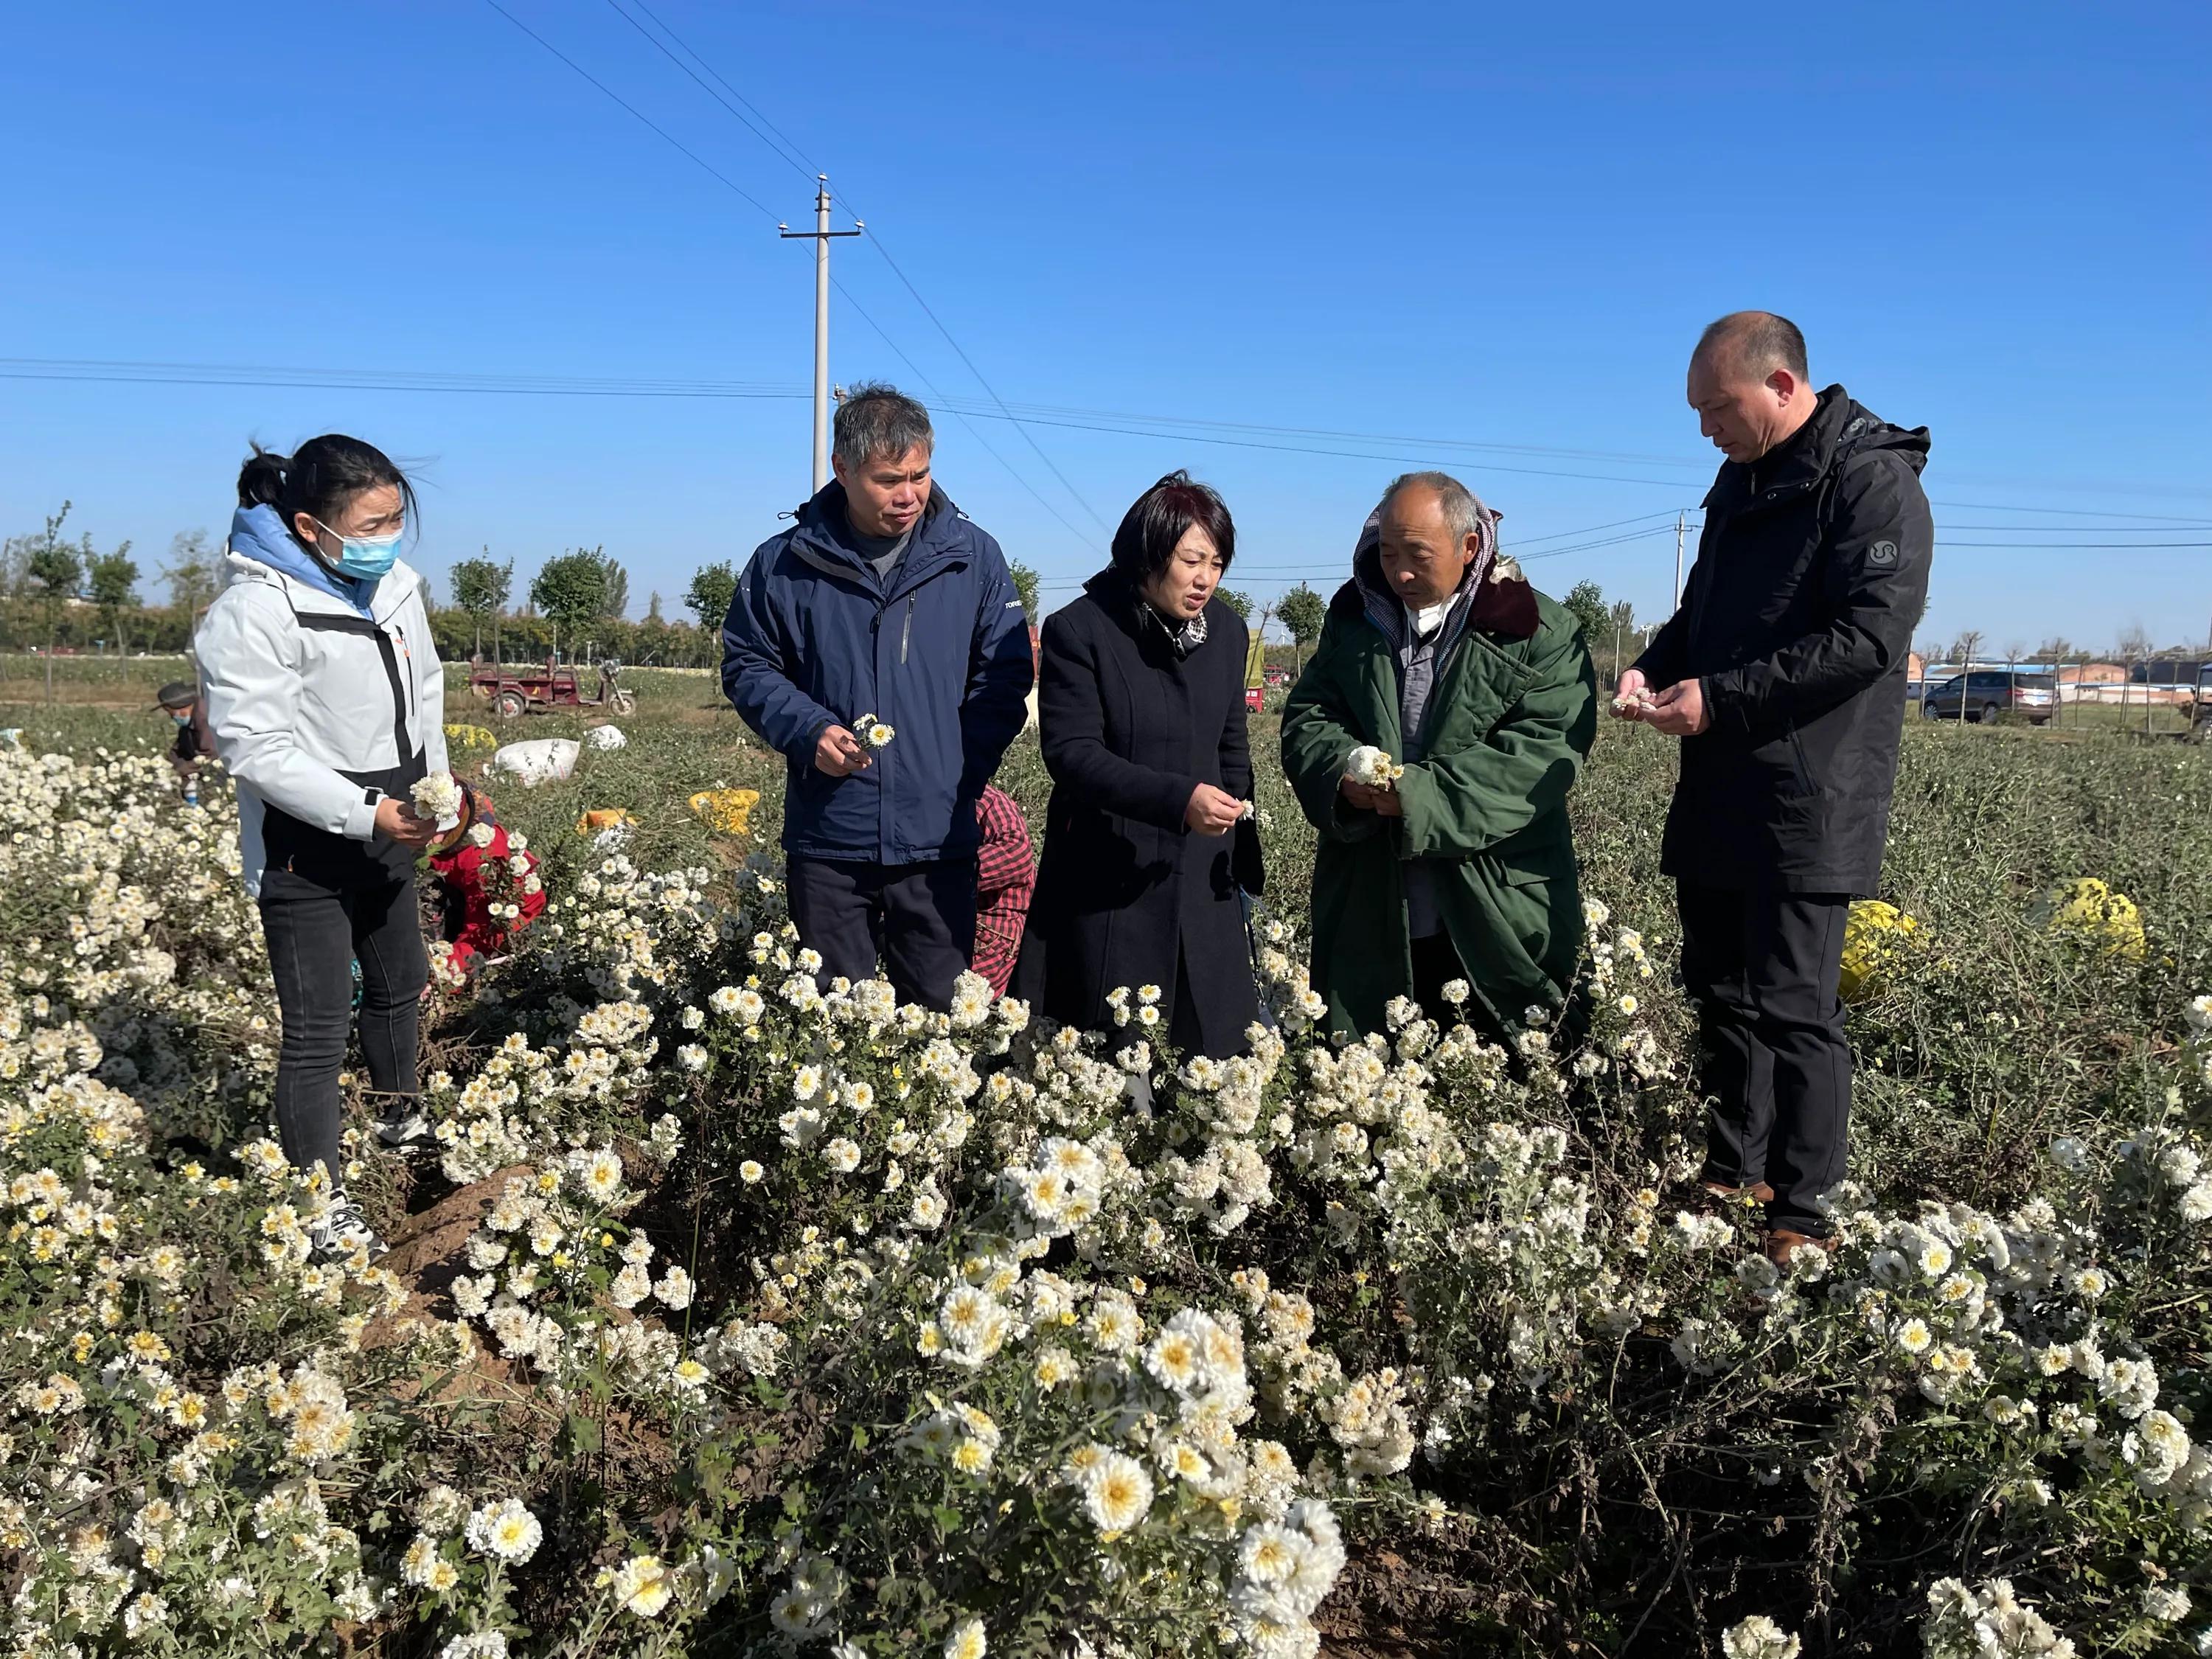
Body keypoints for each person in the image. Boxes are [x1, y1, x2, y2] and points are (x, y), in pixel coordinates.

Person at [1616, 312, 1932, 1264]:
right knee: (1720, 988)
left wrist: (1719, 697)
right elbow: (1702, 610)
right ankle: (1734, 1168)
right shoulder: (1740, 481)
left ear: (1784, 385)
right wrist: (1652, 666)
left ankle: (1803, 1210)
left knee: (1794, 1002)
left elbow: (1868, 640)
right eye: (1698, 411)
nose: (1706, 428)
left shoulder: (1871, 482)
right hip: (1722, 776)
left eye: (1719, 407)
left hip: (1810, 791)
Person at [195, 436, 448, 1260]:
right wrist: (367, 812)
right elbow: (256, 750)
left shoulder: (397, 588)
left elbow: (426, 695)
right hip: (305, 845)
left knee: (400, 981)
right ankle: (317, 1203)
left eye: (396, 520)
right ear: (310, 527)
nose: (389, 539)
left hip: (390, 824)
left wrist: (438, 788)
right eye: (371, 525)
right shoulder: (254, 610)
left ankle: (398, 1117)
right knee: (315, 1029)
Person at [722, 384, 1034, 1010]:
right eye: (889, 480)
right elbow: (748, 663)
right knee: (836, 1022)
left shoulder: (972, 558)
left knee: (942, 1019)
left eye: (919, 475)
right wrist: (809, 731)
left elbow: (1004, 676)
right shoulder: (784, 564)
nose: (908, 495)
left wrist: (960, 771)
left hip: (939, 840)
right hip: (830, 836)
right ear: (842, 469)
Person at [1281, 472, 1596, 1039]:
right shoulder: (1353, 619)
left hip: (1496, 903)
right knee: (1372, 1066)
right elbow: (1310, 716)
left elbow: (1539, 755)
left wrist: (1415, 797)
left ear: (1469, 547)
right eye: (1388, 554)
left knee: (1508, 1061)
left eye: (1418, 556)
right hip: (1372, 895)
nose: (1400, 572)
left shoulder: (1536, 630)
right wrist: (1340, 772)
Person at [1013, 471, 1264, 1058]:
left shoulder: (1227, 632)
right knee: (1110, 1059)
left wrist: (1239, 842)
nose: (1205, 579)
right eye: (1191, 561)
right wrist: (1179, 801)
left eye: (1217, 564)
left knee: (1216, 1057)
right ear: (1147, 553)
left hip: (1204, 875)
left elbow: (1232, 745)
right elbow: (1073, 755)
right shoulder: (1081, 629)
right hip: (1108, 878)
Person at [428, 782, 546, 978]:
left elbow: (482, 934)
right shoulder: (451, 814)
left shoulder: (483, 863)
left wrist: (442, 976)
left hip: (506, 920)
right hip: (461, 889)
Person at [970, 784, 1034, 995]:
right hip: (943, 922)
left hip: (990, 932)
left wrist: (951, 879)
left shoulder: (985, 800)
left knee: (963, 1004)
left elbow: (1017, 850)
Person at [156, 679, 215, 803]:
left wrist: (180, 770)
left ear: (181, 708)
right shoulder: (189, 724)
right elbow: (178, 749)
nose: (172, 717)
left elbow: (210, 756)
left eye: (171, 713)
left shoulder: (204, 720)